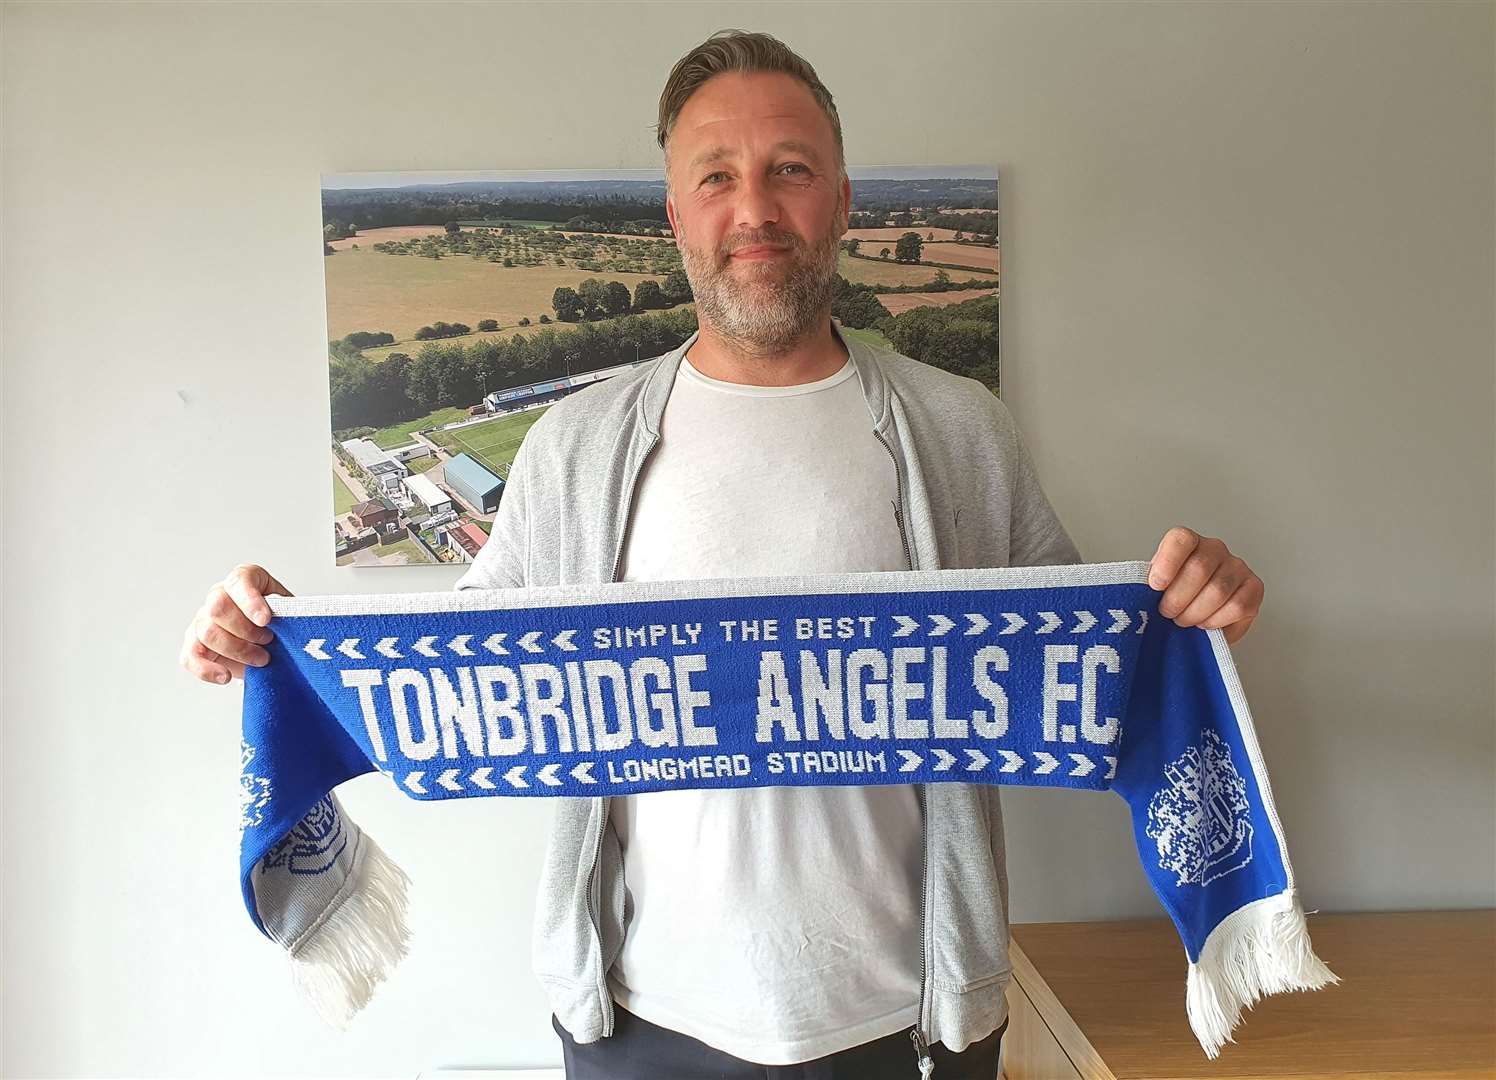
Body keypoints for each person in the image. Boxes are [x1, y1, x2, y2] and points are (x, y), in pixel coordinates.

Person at [182, 29, 1265, 1080]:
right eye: (716, 177)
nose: (754, 207)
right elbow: (458, 678)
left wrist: (1188, 607)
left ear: (839, 200)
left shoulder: (961, 431)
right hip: (639, 1023)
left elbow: (1085, 672)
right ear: (674, 216)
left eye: (790, 170)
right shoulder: (574, 446)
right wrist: (278, 639)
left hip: (911, 1024)